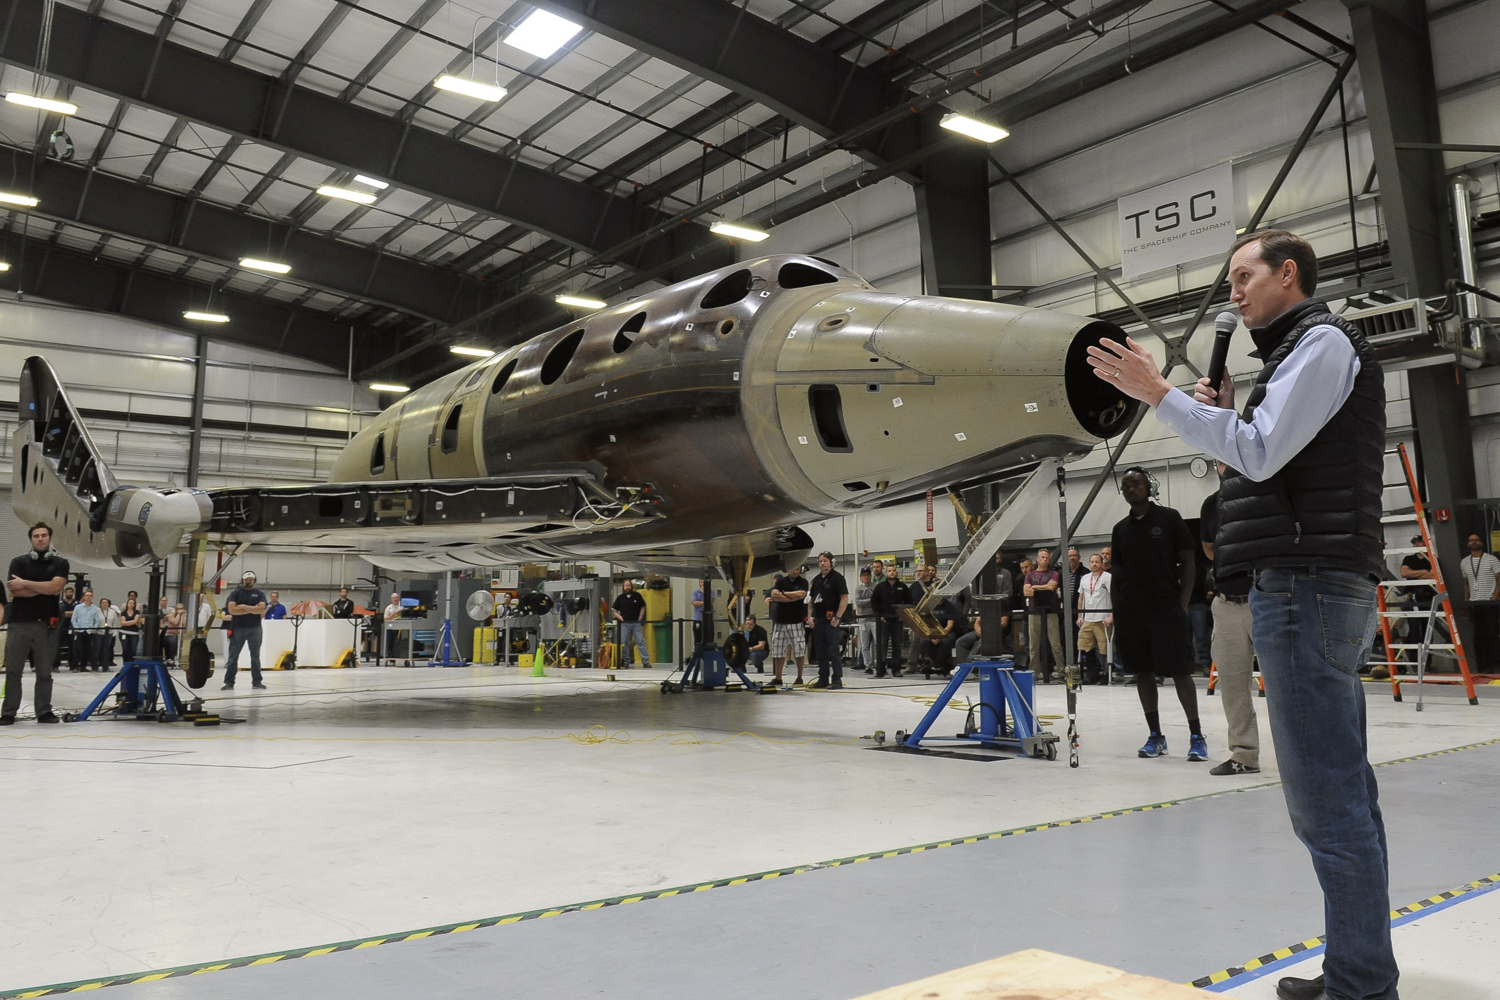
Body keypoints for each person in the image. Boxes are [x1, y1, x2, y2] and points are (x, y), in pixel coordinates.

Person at [1090, 228, 1395, 1000]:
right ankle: (1357, 971)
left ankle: (1361, 987)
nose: (1234, 291)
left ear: (1287, 275)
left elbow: (1258, 455)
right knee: (1342, 795)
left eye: (1243, 276)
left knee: (1327, 803)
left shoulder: (1321, 345)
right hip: (1306, 585)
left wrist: (1160, 395)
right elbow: (1265, 459)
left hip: (1307, 589)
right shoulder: (1296, 358)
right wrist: (1221, 419)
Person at [1106, 469, 1203, 759]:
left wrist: (1182, 604)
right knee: (1143, 673)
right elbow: (1117, 574)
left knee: (1180, 671)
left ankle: (1196, 736)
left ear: (1149, 488)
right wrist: (1118, 610)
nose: (1130, 489)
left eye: (1136, 484)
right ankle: (1155, 736)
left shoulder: (1170, 518)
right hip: (1132, 612)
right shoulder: (1120, 528)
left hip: (1166, 609)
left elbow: (1188, 562)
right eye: (1125, 486)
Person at [1201, 464, 1262, 776]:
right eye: (1220, 461)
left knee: (1284, 684)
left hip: (1263, 598)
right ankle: (1245, 755)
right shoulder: (1212, 504)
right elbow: (1209, 549)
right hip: (1226, 603)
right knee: (1233, 685)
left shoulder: (1263, 493)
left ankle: (1300, 757)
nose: (1224, 466)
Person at [1, 522, 69, 725]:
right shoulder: (18, 562)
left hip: (46, 625)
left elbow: (56, 588)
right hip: (19, 624)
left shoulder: (60, 563)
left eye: (44, 535)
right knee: (13, 671)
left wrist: (27, 583)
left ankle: (44, 711)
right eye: (36, 536)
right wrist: (44, 587)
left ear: (50, 538)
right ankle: (8, 712)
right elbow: (16, 591)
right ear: (31, 539)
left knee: (44, 671)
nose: (40, 539)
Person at [807, 552, 849, 689]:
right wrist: (810, 616)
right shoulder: (816, 580)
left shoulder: (837, 578)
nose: (822, 563)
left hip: (831, 620)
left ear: (831, 562)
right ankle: (823, 678)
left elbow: (844, 598)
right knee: (820, 651)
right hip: (818, 620)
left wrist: (838, 617)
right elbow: (811, 600)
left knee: (833, 651)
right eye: (820, 561)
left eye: (825, 561)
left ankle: (837, 679)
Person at [1024, 549, 1065, 683]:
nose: (1045, 560)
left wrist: (1035, 588)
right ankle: (1034, 672)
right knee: (1033, 645)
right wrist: (1042, 587)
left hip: (1051, 611)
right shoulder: (1029, 575)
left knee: (1055, 643)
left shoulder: (1054, 574)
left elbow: (1051, 588)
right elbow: (1026, 591)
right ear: (1037, 559)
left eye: (1047, 558)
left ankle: (1061, 671)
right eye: (1042, 557)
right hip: (1034, 611)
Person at [223, 571, 269, 690]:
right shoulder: (235, 593)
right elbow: (232, 610)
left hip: (255, 628)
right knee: (233, 656)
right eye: (246, 579)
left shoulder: (259, 593)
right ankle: (229, 682)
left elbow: (261, 609)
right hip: (238, 628)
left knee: (255, 656)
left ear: (254, 580)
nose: (248, 581)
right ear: (242, 580)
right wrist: (253, 609)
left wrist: (242, 606)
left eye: (250, 579)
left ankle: (257, 682)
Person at [1461, 533, 1500, 672]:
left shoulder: (1492, 560)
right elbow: (1466, 584)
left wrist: (1494, 597)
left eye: (1476, 540)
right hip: (1475, 603)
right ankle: (1484, 666)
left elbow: (1499, 579)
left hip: (1490, 603)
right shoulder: (1464, 562)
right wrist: (1466, 601)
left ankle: (1496, 665)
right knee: (1479, 636)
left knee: (1493, 635)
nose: (1474, 542)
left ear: (1481, 543)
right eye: (1471, 540)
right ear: (1468, 544)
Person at [766, 565, 808, 687]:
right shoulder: (781, 581)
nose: (795, 571)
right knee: (778, 651)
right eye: (794, 568)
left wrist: (783, 594)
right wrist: (791, 598)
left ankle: (799, 678)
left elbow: (801, 595)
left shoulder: (803, 582)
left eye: (798, 569)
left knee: (799, 650)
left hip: (796, 622)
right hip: (780, 622)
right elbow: (774, 595)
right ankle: (778, 677)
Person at [869, 562, 910, 678]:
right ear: (886, 573)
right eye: (889, 571)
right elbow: (874, 602)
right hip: (884, 621)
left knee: (897, 646)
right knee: (882, 646)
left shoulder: (903, 587)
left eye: (894, 570)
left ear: (896, 572)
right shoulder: (880, 587)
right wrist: (879, 615)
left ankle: (896, 670)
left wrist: (903, 615)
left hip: (897, 621)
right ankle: (881, 670)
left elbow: (908, 602)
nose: (892, 572)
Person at [1076, 553, 1112, 685]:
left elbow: (1113, 596)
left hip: (1102, 618)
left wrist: (1111, 616)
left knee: (1104, 648)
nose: (1094, 564)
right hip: (1087, 618)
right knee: (1085, 646)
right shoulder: (1085, 578)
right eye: (1092, 562)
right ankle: (1092, 674)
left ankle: (1106, 674)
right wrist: (1080, 616)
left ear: (1101, 563)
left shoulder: (1107, 577)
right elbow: (1081, 598)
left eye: (1097, 562)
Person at [610, 578, 651, 668]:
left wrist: (640, 618)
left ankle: (646, 661)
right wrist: (620, 617)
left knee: (640, 641)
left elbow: (643, 607)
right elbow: (614, 610)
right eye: (626, 586)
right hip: (625, 624)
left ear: (631, 586)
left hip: (636, 623)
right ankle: (626, 661)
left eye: (629, 585)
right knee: (624, 642)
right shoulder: (620, 598)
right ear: (623, 587)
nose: (627, 587)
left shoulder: (637, 596)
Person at [71, 591, 103, 672]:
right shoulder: (78, 607)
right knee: (77, 649)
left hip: (89, 631)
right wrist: (76, 628)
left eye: (90, 595)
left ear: (92, 597)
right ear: (84, 597)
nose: (88, 597)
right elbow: (73, 619)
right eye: (87, 595)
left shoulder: (95, 609)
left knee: (87, 650)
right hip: (80, 631)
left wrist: (94, 629)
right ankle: (74, 666)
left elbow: (97, 621)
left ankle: (83, 666)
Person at [853, 566, 876, 669]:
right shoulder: (858, 589)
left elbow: (878, 601)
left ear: (871, 576)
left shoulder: (875, 587)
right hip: (863, 620)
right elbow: (858, 602)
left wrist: (865, 602)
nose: (866, 577)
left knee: (877, 643)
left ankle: (878, 663)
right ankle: (868, 665)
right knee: (864, 645)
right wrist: (870, 600)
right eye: (864, 575)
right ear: (860, 577)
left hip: (875, 619)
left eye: (868, 575)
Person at [118, 597, 143, 663]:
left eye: (133, 603)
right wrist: (132, 622)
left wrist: (127, 622)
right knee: (125, 649)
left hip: (134, 633)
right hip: (124, 632)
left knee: (133, 649)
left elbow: (136, 621)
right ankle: (125, 663)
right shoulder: (123, 613)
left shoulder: (137, 612)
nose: (131, 604)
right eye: (130, 603)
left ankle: (132, 663)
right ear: (127, 604)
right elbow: (122, 623)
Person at [98, 598, 120, 668]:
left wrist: (113, 631)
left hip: (109, 633)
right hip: (99, 632)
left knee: (107, 649)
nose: (104, 604)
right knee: (98, 648)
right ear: (100, 604)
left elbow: (115, 622)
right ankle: (97, 664)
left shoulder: (112, 612)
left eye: (106, 602)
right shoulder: (97, 611)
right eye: (103, 602)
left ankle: (106, 665)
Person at [382, 592, 403, 662]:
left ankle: (400, 654)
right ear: (391, 599)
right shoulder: (389, 608)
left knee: (399, 642)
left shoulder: (402, 605)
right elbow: (385, 618)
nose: (395, 599)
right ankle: (390, 656)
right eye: (394, 598)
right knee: (390, 642)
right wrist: (393, 615)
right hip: (391, 626)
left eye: (396, 598)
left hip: (401, 626)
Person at [690, 581, 705, 646]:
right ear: (699, 583)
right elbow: (694, 603)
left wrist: (703, 594)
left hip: (707, 620)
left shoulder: (711, 592)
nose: (703, 584)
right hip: (698, 618)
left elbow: (710, 602)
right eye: (701, 582)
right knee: (697, 638)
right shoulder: (695, 592)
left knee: (707, 637)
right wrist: (704, 602)